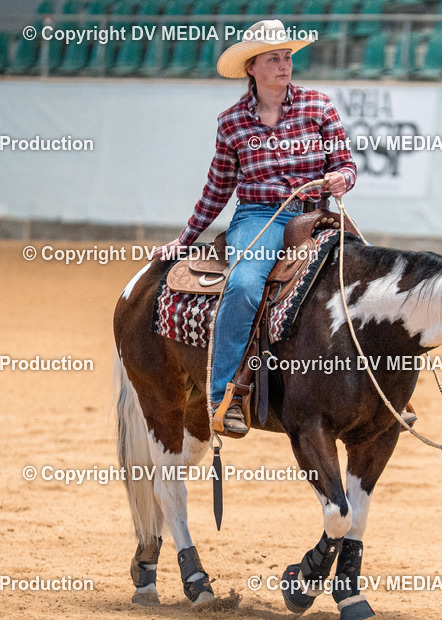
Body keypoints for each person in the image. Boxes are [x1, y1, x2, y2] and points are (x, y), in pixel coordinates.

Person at [150, 19, 357, 435]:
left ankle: (383, 390)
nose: (284, 65)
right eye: (273, 59)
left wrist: (342, 180)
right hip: (259, 217)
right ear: (252, 67)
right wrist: (185, 239)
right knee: (244, 285)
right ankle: (223, 395)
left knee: (367, 278)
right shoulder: (232, 123)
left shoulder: (319, 106)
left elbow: (345, 164)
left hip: (315, 213)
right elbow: (217, 189)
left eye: (287, 57)